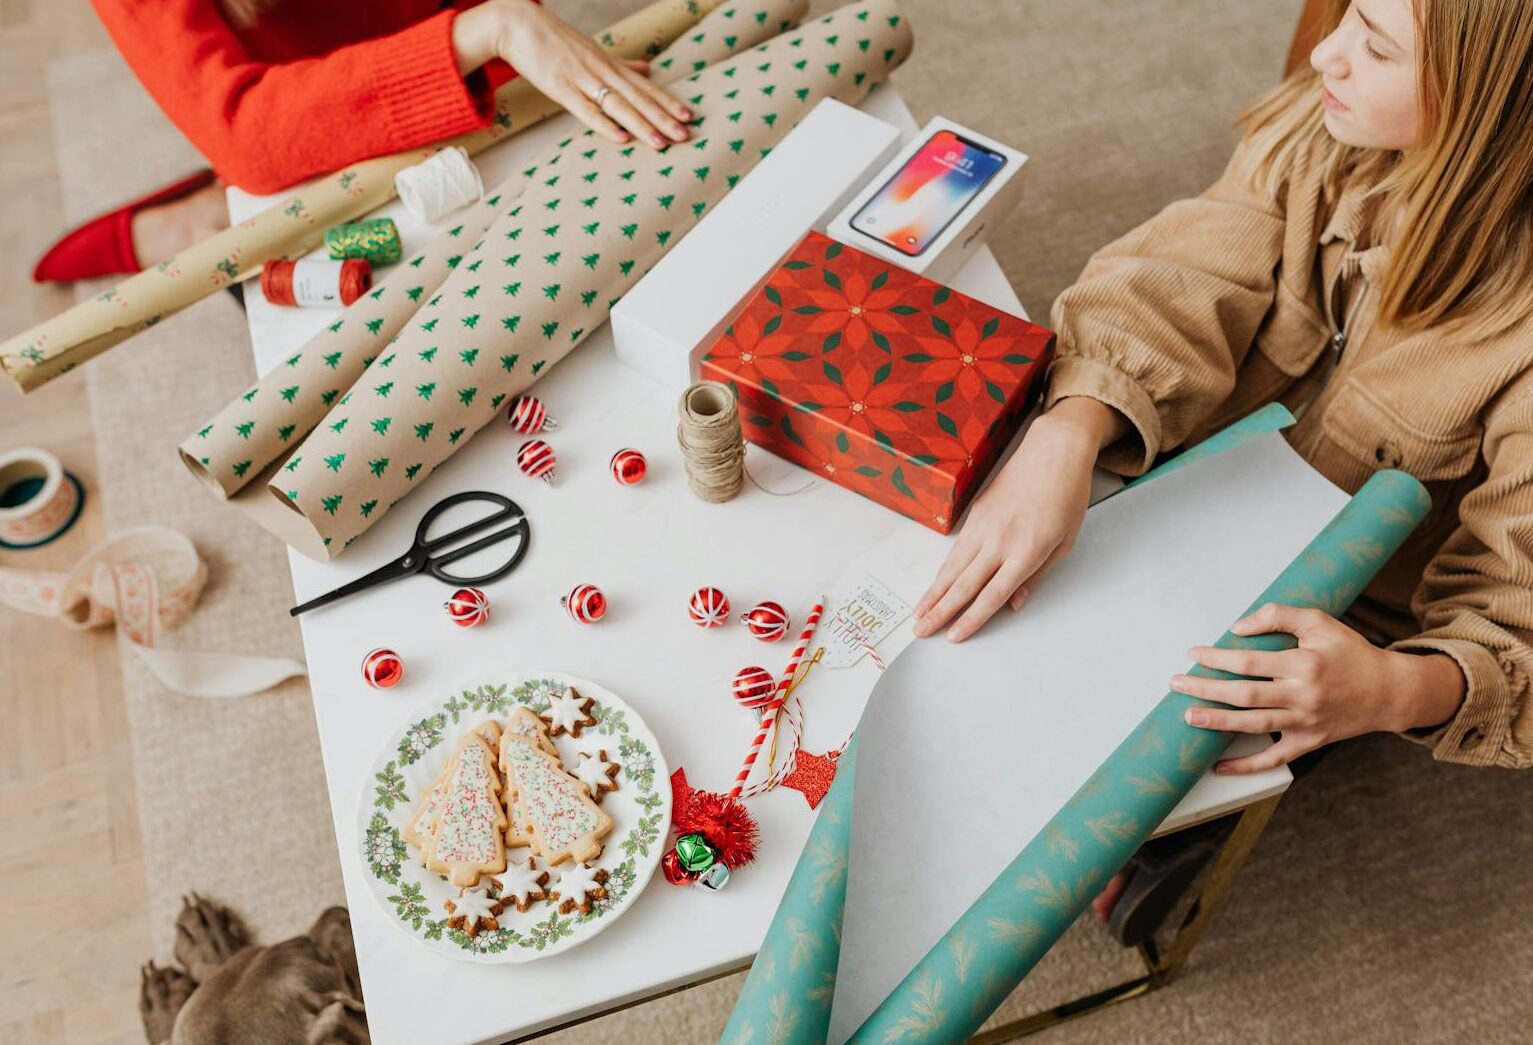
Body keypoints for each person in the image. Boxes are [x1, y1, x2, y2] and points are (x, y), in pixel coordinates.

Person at [913, 0, 1533, 942]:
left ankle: (1171, 846)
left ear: (1489, 104)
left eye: (1373, 44)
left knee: (1125, 759)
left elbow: (1518, 618)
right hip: (1188, 473)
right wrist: (1070, 429)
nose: (1322, 51)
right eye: (1344, 13)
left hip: (1345, 607)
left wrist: (1389, 689)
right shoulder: (1329, 119)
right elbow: (1183, 271)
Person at [34, 0, 693, 282]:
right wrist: (487, 32)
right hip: (307, 104)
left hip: (453, 55)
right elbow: (246, 131)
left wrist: (513, 28)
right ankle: (199, 215)